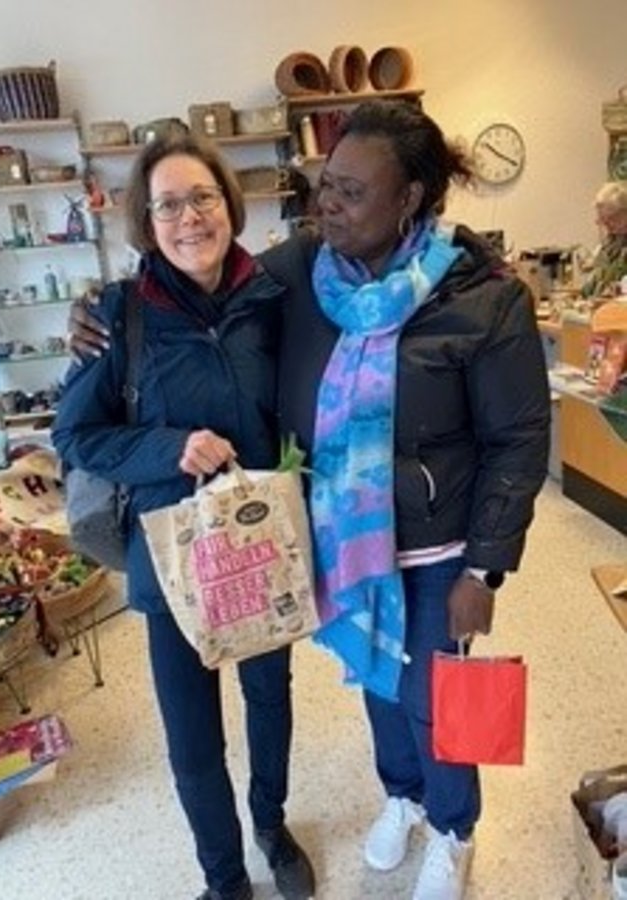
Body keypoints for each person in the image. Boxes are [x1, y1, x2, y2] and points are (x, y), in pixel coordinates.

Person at [68, 101, 551, 900]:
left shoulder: (482, 298)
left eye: (352, 192)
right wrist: (92, 313)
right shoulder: (301, 272)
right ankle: (401, 797)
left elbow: (518, 441)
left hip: (437, 546)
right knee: (377, 686)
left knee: (436, 701)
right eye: (326, 185)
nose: (328, 204)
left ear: (410, 198)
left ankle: (453, 829)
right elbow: (193, 288)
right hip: (342, 542)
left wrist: (484, 570)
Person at [52, 134, 315, 900]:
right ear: (146, 221)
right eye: (167, 204)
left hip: (260, 544)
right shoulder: (119, 314)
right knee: (192, 737)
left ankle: (270, 824)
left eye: (202, 197)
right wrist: (170, 448)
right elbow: (76, 434)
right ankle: (223, 878)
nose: (188, 217)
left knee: (269, 701)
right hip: (170, 560)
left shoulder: (274, 298)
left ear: (229, 204)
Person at [580, 180, 627, 298]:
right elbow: (592, 285)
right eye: (602, 219)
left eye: (612, 218)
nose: (607, 225)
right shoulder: (610, 244)